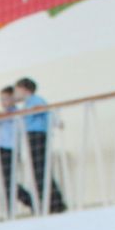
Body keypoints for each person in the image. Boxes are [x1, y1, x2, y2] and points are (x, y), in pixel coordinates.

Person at [14, 78, 67, 214]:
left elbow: (46, 111)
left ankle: (55, 202)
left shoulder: (36, 100)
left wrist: (57, 122)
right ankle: (46, 202)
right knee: (38, 171)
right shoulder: (27, 104)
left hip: (38, 135)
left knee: (41, 170)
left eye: (17, 89)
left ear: (24, 89)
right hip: (32, 136)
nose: (15, 93)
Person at [0, 85, 34, 214]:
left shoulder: (16, 113)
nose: (3, 102)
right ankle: (11, 208)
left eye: (6, 99)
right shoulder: (2, 115)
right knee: (6, 182)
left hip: (11, 149)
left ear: (13, 99)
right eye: (1, 99)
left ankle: (30, 201)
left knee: (9, 181)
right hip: (2, 148)